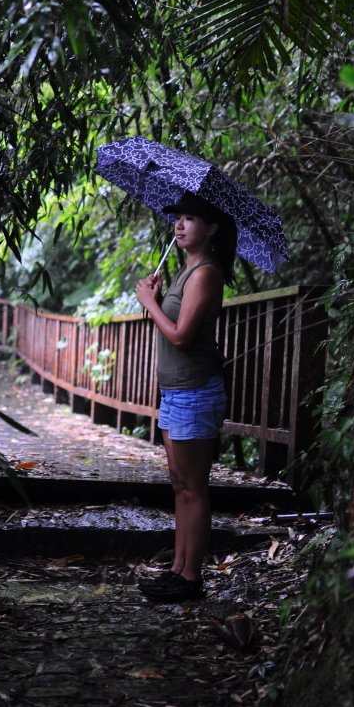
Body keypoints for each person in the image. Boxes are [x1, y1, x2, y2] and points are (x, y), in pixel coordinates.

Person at [134, 192, 237, 603]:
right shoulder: (184, 271)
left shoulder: (207, 273)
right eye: (177, 218)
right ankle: (178, 569)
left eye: (190, 218)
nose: (179, 225)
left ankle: (191, 578)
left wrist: (149, 304)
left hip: (195, 391)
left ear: (211, 228)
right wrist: (157, 298)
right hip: (176, 392)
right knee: (180, 486)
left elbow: (180, 336)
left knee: (194, 487)